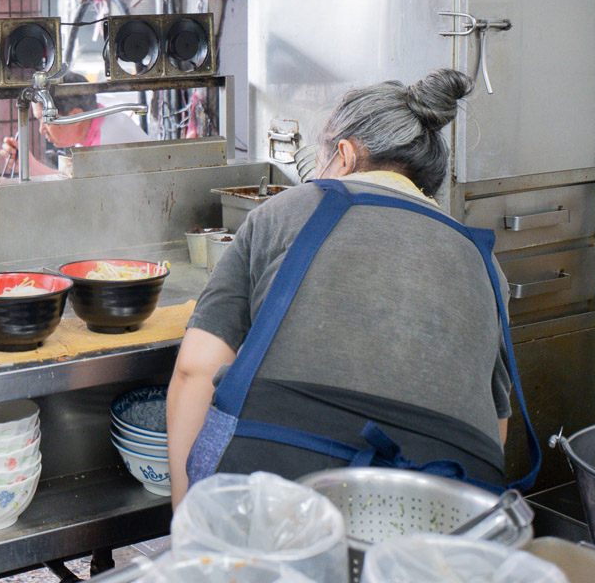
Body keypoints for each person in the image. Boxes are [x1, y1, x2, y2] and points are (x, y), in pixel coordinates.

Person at [167, 69, 538, 507]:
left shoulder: (286, 210)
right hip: (442, 503)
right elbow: (492, 429)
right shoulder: (483, 261)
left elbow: (196, 371)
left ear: (343, 156)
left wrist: (186, 526)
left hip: (277, 478)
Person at [0, 72, 148, 176]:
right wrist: (29, 166)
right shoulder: (97, 129)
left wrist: (31, 166)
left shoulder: (110, 137)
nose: (41, 130)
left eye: (47, 120)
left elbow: (80, 194)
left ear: (76, 116)